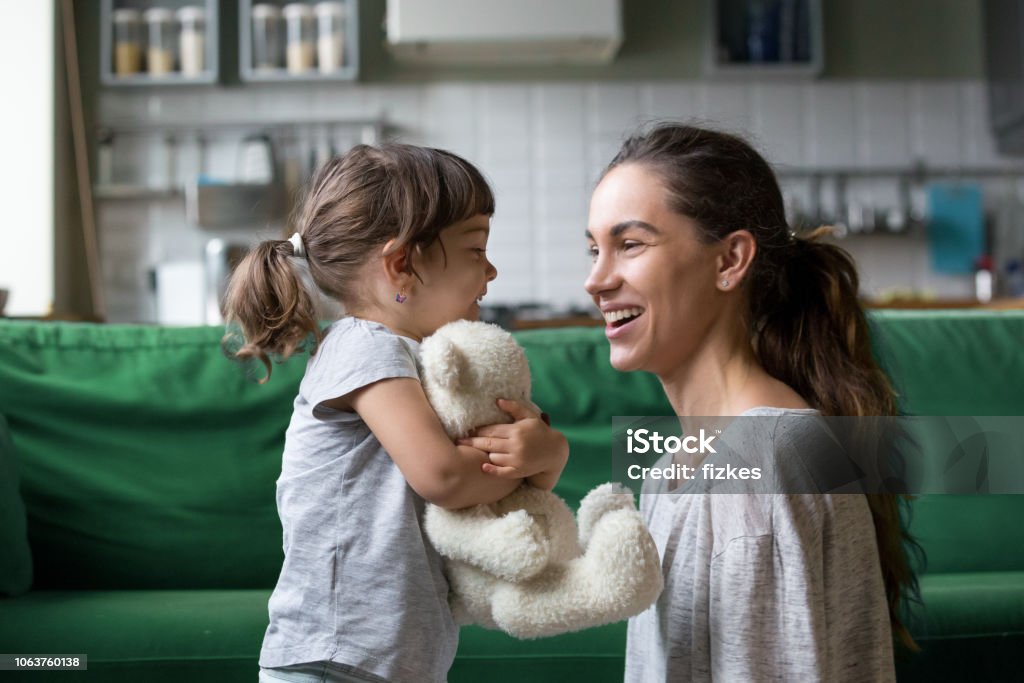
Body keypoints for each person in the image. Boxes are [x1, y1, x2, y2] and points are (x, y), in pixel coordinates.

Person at [584, 123, 918, 682]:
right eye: (594, 248)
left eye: (631, 244)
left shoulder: (762, 467)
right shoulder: (676, 465)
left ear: (729, 260)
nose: (596, 279)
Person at [224, 143, 569, 683]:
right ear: (402, 265)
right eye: (476, 249)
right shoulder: (364, 347)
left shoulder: (425, 362)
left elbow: (507, 483)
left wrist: (544, 452)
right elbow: (446, 477)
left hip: (394, 657)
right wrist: (535, 457)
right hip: (333, 656)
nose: (493, 269)